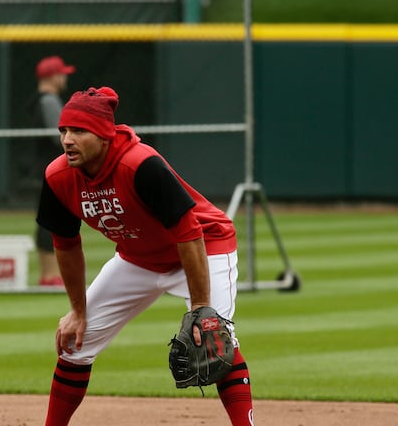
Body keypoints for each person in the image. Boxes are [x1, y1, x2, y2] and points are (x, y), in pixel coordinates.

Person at [36, 86, 254, 426]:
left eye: (78, 131)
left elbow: (188, 232)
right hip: (137, 257)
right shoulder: (58, 177)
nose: (67, 139)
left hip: (204, 246)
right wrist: (78, 311)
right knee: (74, 344)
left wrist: (200, 308)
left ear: (105, 136)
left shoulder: (140, 165)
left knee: (214, 339)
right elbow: (66, 244)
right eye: (63, 130)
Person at [30, 55, 76, 287]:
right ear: (52, 76)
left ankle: (48, 274)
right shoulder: (48, 100)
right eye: (62, 74)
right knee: (51, 220)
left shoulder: (42, 99)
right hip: (50, 168)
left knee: (48, 219)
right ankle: (49, 275)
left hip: (44, 166)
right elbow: (57, 136)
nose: (64, 78)